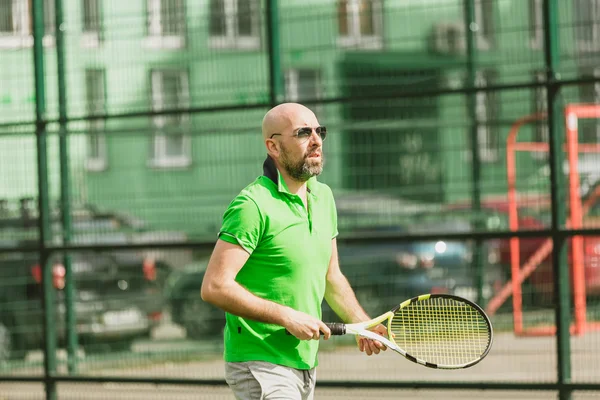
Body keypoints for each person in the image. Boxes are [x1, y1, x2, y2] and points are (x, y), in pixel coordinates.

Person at [201, 103, 387, 400]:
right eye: (303, 133)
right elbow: (214, 286)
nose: (316, 141)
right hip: (259, 360)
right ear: (273, 146)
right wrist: (286, 316)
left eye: (319, 131)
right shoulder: (252, 205)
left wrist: (363, 324)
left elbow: (331, 276)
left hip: (304, 362)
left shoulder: (323, 196)